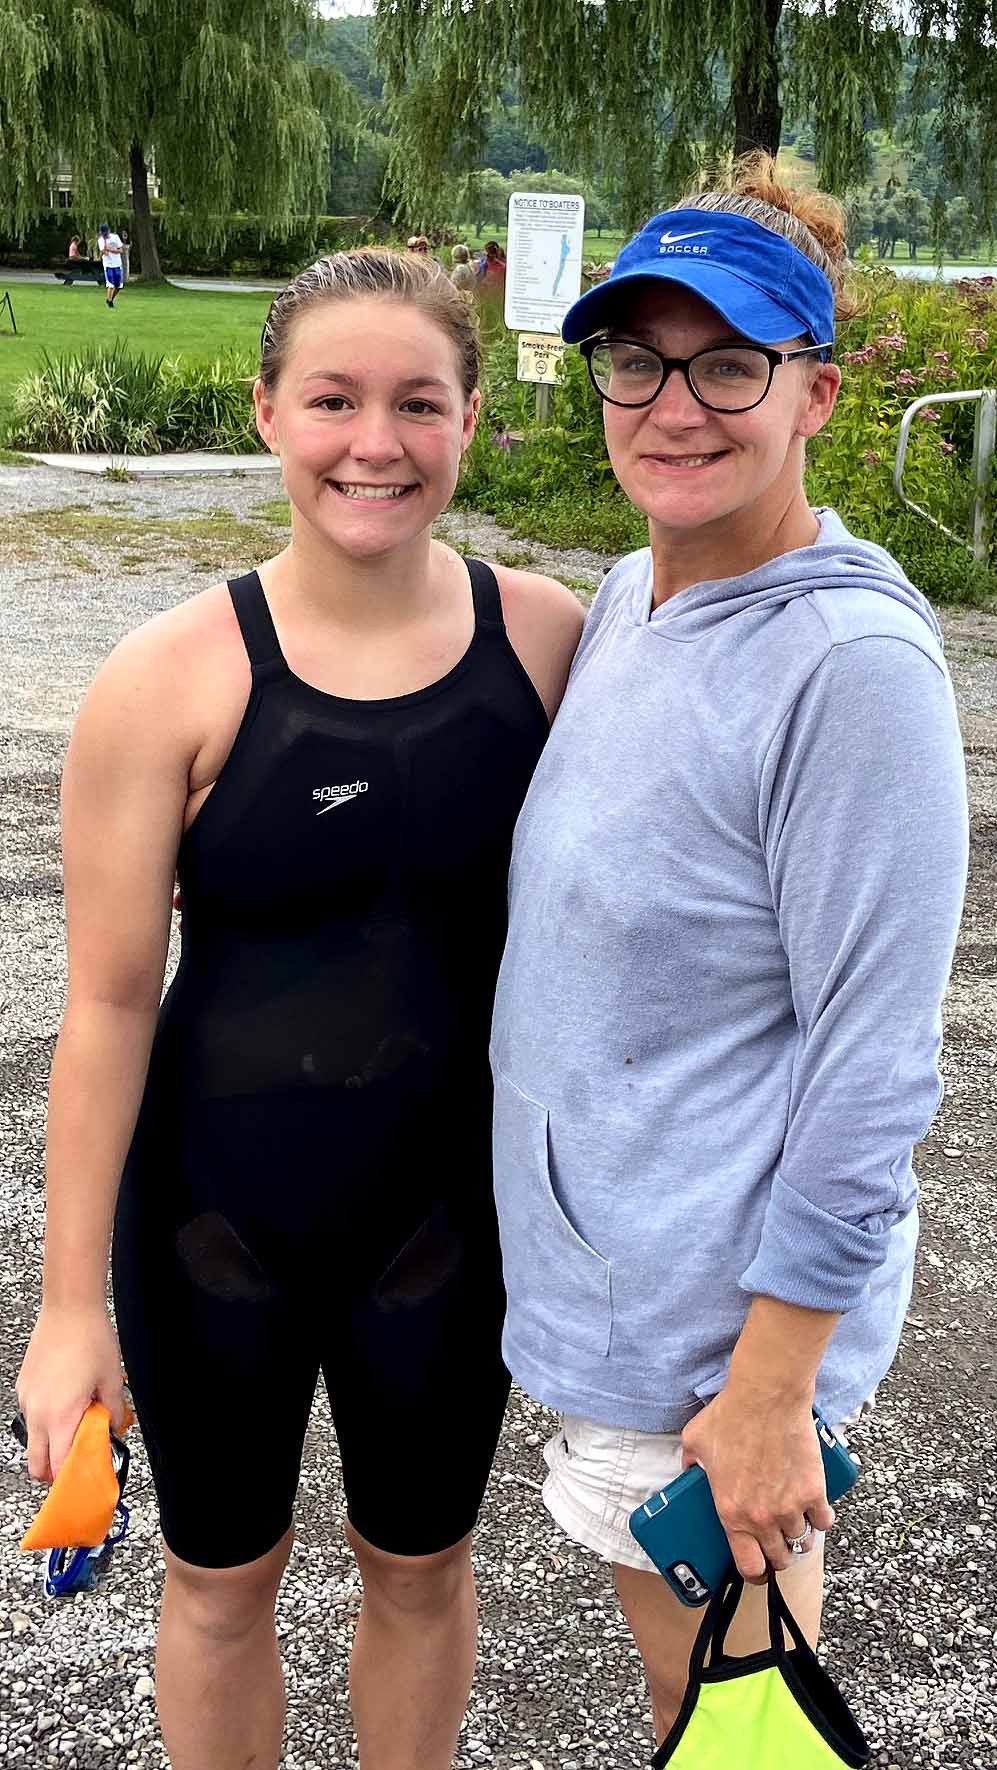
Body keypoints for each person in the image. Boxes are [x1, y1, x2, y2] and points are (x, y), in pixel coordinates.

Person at [16, 247, 584, 1770]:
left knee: (421, 1568)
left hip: (450, 1226)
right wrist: (67, 1310)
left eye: (418, 402)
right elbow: (106, 1006)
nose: (373, 444)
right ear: (267, 410)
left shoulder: (551, 644)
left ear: (472, 419)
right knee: (218, 1586)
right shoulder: (166, 680)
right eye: (332, 400)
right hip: (216, 1225)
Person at [489, 154, 969, 1746]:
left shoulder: (847, 666)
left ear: (814, 392)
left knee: (733, 1724)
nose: (672, 405)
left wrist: (771, 1384)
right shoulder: (633, 590)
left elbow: (871, 1067)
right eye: (636, 361)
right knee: (701, 1710)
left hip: (712, 1337)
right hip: (624, 1289)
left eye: (727, 366)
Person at [99, 223, 124, 307]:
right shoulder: (101, 240)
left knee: (119, 286)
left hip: (117, 264)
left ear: (109, 231)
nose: (105, 234)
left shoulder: (115, 237)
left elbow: (120, 250)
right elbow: (104, 252)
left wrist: (110, 249)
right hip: (108, 265)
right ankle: (110, 303)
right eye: (103, 233)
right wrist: (105, 249)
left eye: (106, 232)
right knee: (111, 285)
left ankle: (110, 299)